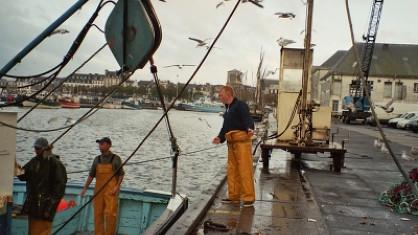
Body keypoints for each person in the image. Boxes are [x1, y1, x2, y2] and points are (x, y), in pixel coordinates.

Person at [212, 85, 255, 207]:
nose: (219, 97)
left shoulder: (240, 105)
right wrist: (219, 138)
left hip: (242, 144)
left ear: (228, 94)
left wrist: (250, 128)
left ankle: (248, 198)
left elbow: (247, 119)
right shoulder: (228, 109)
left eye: (221, 94)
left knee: (245, 170)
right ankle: (234, 196)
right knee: (232, 171)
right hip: (231, 144)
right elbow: (225, 127)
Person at [17, 137, 67, 235]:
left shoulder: (55, 164)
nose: (36, 150)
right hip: (33, 207)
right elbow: (22, 175)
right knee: (32, 232)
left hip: (45, 207)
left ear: (45, 148)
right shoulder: (34, 161)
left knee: (42, 232)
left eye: (38, 148)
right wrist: (15, 166)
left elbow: (60, 189)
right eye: (35, 148)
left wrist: (49, 208)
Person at [80, 137, 124, 235]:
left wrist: (117, 187)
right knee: (97, 214)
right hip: (98, 191)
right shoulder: (97, 159)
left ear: (108, 145)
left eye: (102, 144)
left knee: (110, 214)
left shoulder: (116, 159)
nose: (100, 146)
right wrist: (85, 188)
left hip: (111, 192)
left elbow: (121, 174)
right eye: (99, 144)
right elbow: (91, 175)